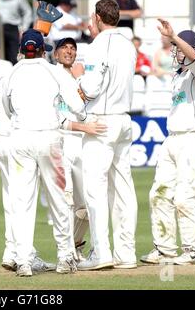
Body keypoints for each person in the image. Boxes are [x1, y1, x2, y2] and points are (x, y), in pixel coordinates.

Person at [1, 29, 87, 277]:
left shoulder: (11, 74)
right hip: (49, 137)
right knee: (59, 199)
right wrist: (80, 116)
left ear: (21, 49)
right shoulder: (53, 71)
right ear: (42, 49)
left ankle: (24, 260)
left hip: (20, 139)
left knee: (21, 202)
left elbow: (6, 109)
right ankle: (65, 257)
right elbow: (78, 107)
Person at [140, 19, 195, 265]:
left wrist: (174, 36)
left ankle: (192, 250)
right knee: (158, 194)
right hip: (172, 140)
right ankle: (165, 249)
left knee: (184, 196)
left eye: (178, 48)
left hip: (193, 139)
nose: (174, 52)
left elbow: (194, 56)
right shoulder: (177, 77)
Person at [72, 0, 138, 270]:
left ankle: (101, 253)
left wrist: (78, 79)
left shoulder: (99, 45)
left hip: (102, 121)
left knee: (96, 189)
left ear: (98, 17)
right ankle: (126, 254)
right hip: (123, 119)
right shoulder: (128, 43)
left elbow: (92, 85)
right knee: (123, 188)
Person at [0, 76, 57, 274]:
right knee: (24, 200)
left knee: (12, 199)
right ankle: (23, 255)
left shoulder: (3, 80)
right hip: (22, 140)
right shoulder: (36, 77)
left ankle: (11, 252)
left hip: (4, 142)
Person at [53, 37, 108, 262]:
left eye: (73, 48)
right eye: (64, 48)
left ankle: (75, 245)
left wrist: (80, 80)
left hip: (84, 142)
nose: (69, 51)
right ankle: (64, 252)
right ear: (55, 54)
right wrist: (82, 125)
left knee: (87, 203)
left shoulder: (82, 77)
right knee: (65, 201)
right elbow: (54, 115)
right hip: (61, 142)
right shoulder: (51, 76)